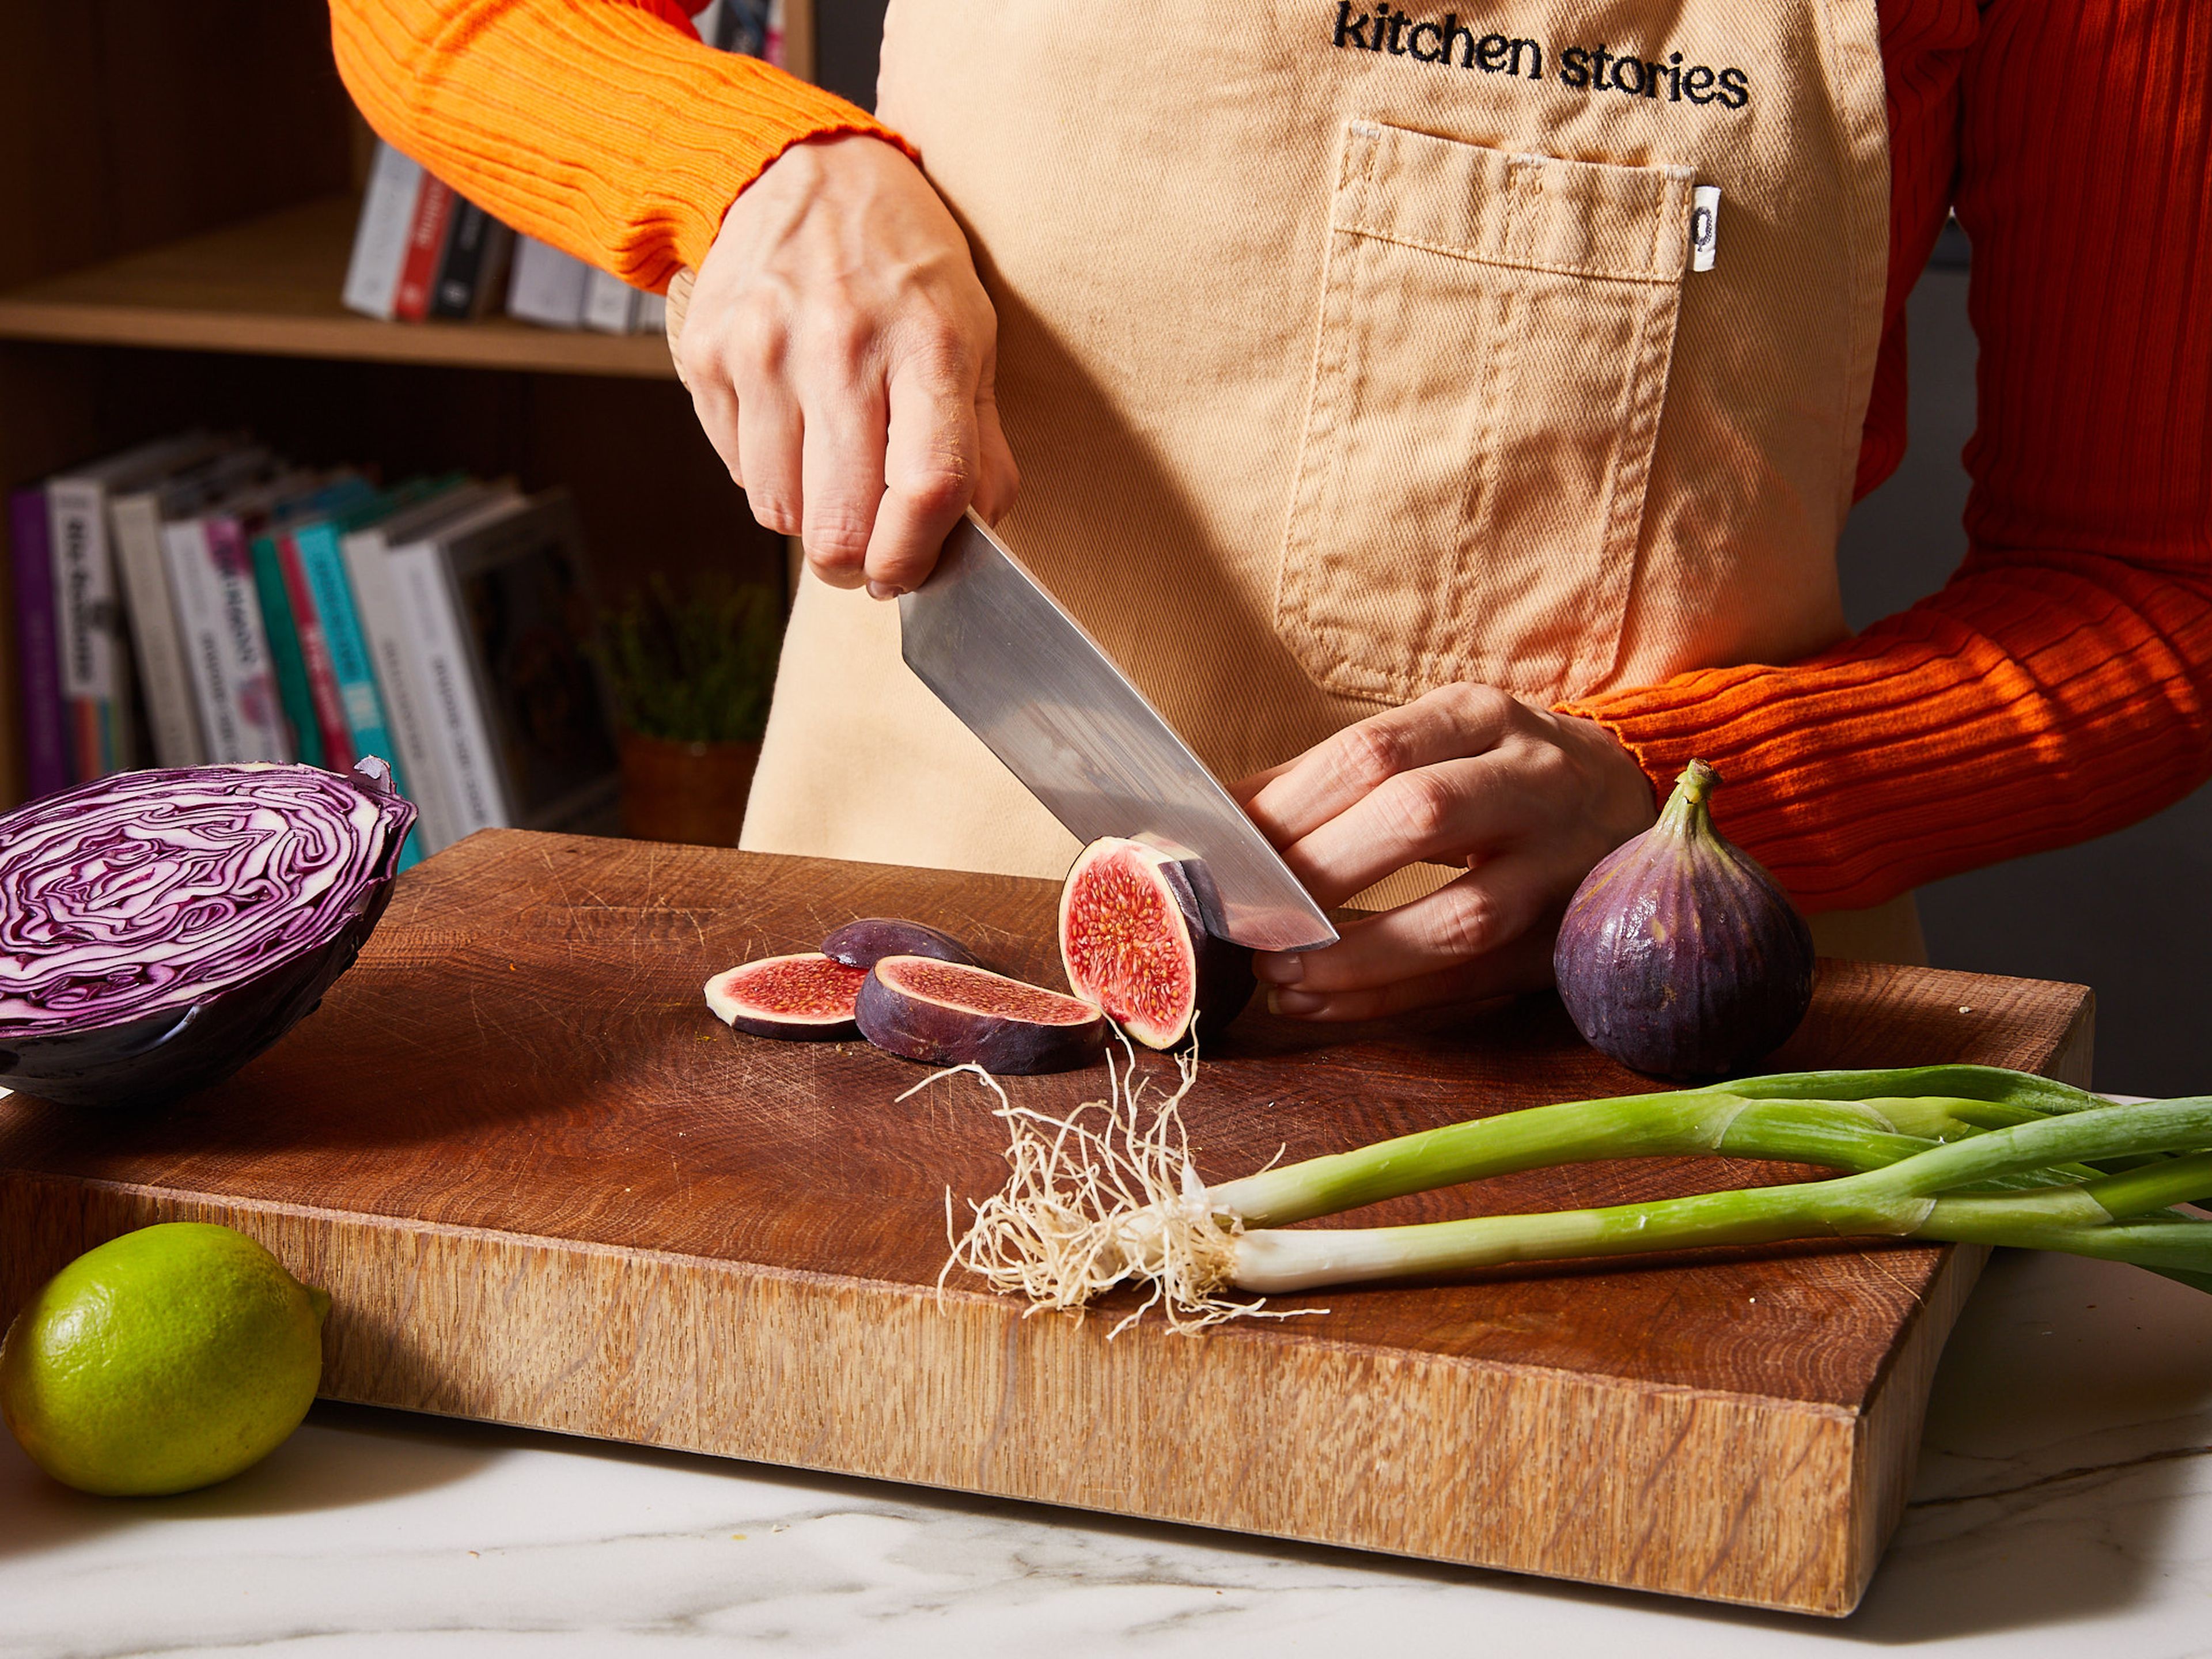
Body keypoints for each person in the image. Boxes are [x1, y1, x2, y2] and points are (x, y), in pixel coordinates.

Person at [333, 0, 2210, 1021]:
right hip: (922, 953)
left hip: (1622, 1039)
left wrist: (1686, 785)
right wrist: (752, 170)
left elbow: (2156, 594)